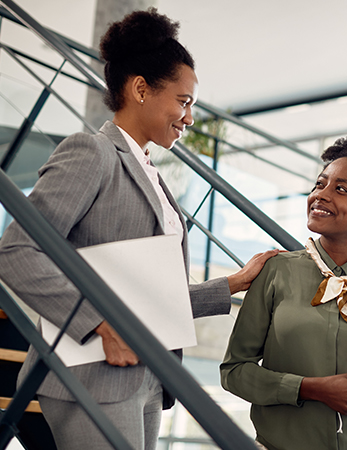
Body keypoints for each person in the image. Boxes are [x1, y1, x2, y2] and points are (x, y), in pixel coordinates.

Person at [0, 8, 278, 450]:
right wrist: (100, 325)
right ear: (141, 89)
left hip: (149, 374)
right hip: (92, 374)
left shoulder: (154, 175)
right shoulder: (92, 153)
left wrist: (233, 283)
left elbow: (149, 297)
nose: (189, 118)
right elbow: (15, 252)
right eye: (184, 102)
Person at [220, 127, 347, 450]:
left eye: (341, 189)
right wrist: (310, 388)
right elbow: (234, 372)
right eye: (320, 183)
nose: (321, 195)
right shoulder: (275, 271)